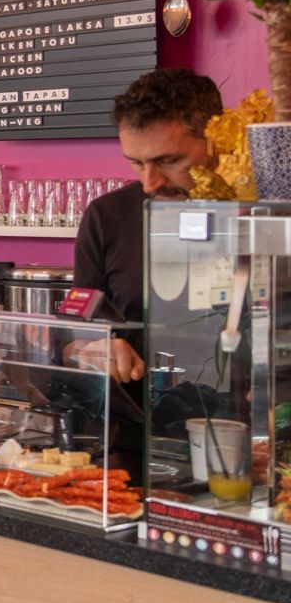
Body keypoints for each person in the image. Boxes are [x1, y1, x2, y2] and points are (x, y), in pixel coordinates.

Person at [72, 66, 222, 383]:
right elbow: (75, 336)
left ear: (215, 139)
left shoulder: (265, 212)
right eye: (137, 163)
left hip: (249, 423)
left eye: (168, 161)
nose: (151, 183)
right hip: (140, 421)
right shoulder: (106, 216)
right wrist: (92, 351)